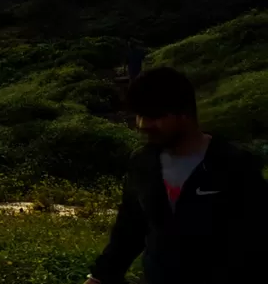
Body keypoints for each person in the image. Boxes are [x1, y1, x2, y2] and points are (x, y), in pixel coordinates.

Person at [86, 67, 267, 284]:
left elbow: (259, 239)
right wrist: (100, 277)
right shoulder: (143, 163)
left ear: (185, 114)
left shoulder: (234, 164)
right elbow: (130, 229)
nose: (143, 124)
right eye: (140, 115)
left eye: (154, 116)